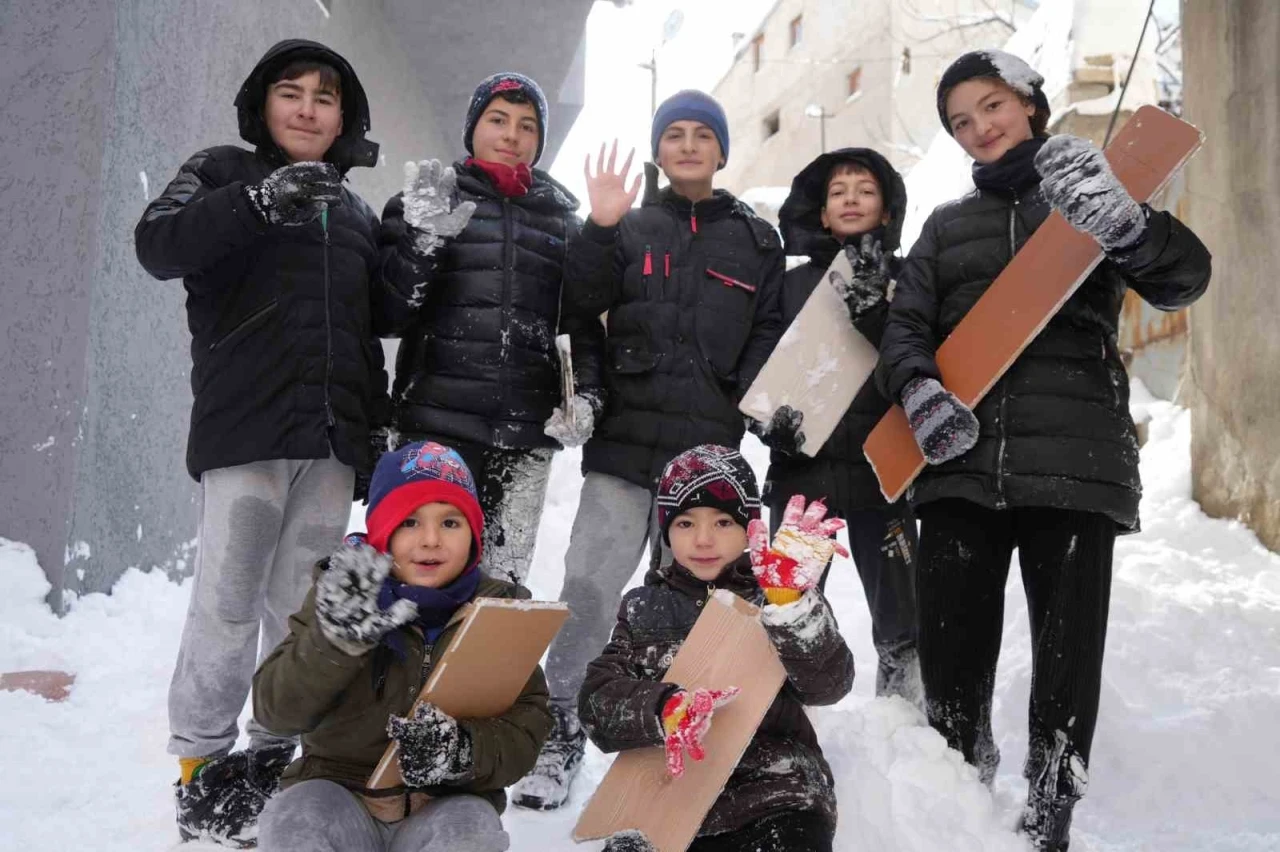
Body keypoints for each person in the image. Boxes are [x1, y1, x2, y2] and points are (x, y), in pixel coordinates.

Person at [875, 49, 1212, 851]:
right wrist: (919, 391)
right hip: (958, 464)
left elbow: (1185, 279)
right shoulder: (945, 226)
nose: (979, 128)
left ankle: (1050, 812)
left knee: (1068, 657)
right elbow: (905, 328)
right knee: (953, 653)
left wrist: (1128, 228)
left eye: (991, 106)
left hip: (1075, 460)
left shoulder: (1094, 194)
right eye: (961, 121)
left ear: (1028, 103)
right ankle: (959, 796)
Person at [134, 39, 422, 845]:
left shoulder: (354, 212)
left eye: (325, 98)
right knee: (227, 603)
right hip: (246, 432)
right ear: (263, 104)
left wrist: (419, 248)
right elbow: (157, 245)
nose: (306, 109)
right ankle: (201, 766)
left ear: (343, 119)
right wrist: (258, 203)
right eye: (291, 92)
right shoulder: (221, 172)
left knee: (299, 612)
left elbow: (378, 321)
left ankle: (270, 756)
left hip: (327, 445)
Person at [513, 90, 785, 810]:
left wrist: (744, 401)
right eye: (675, 134)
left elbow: (768, 332)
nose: (689, 145)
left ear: (721, 150)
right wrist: (601, 226)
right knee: (590, 587)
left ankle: (682, 727)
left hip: (705, 460)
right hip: (624, 448)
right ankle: (562, 725)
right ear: (659, 150)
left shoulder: (757, 241)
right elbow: (579, 304)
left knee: (692, 598)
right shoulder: (630, 226)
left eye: (703, 135)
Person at [252, 440, 552, 852]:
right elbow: (275, 711)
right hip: (340, 799)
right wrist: (333, 643)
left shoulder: (500, 612)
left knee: (472, 832)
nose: (431, 539)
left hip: (441, 807)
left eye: (451, 523)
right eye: (409, 521)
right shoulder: (343, 597)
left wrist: (461, 750)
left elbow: (526, 729)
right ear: (382, 532)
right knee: (294, 821)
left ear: (473, 534)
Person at [378, 72, 603, 586]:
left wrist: (587, 397)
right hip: (434, 432)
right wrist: (423, 239)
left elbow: (581, 327)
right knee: (421, 581)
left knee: (500, 592)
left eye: (527, 126)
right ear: (472, 128)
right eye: (498, 119)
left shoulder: (564, 225)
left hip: (524, 440)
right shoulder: (427, 201)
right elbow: (388, 315)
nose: (511, 135)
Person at [579, 444, 854, 852]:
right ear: (666, 530)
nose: (704, 539)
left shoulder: (777, 593)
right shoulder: (643, 608)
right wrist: (662, 708)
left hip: (775, 792)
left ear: (749, 528)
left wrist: (791, 606)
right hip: (668, 799)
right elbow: (596, 704)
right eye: (685, 523)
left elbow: (829, 686)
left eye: (723, 522)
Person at [760, 147, 921, 703]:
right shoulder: (790, 286)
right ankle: (789, 715)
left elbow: (924, 354)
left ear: (887, 209)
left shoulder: (909, 280)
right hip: (805, 474)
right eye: (838, 192)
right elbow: (760, 360)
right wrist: (767, 420)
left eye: (865, 190)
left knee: (902, 615)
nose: (851, 199)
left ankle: (904, 720)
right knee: (789, 605)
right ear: (822, 213)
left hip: (885, 472)